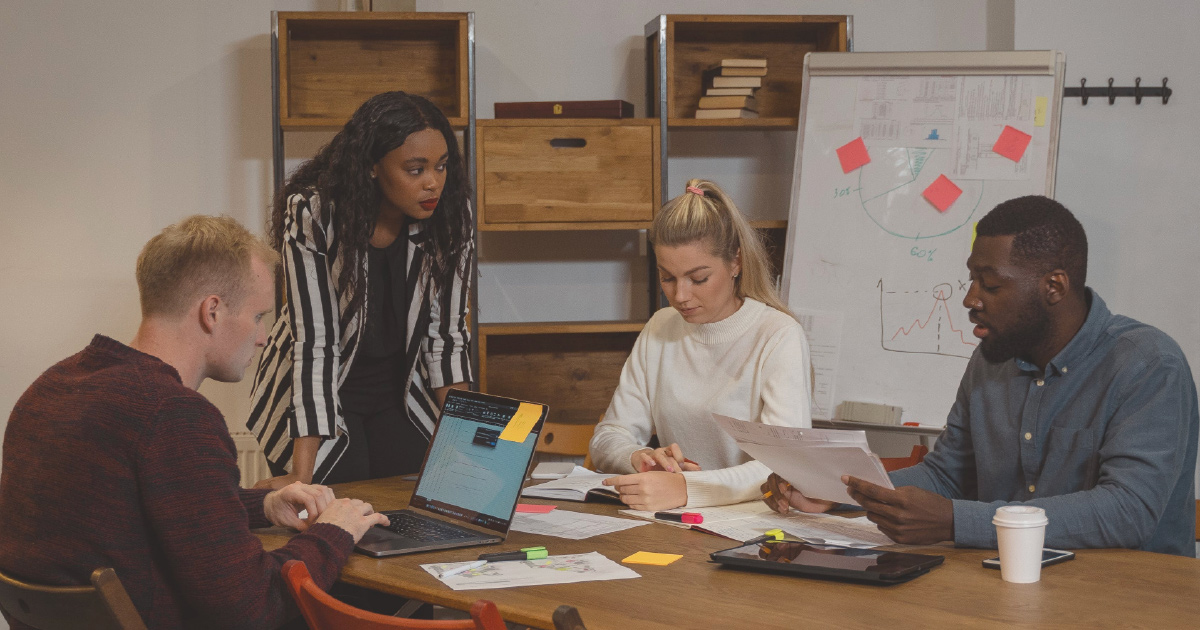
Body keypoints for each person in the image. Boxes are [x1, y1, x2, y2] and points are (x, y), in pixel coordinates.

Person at [0, 216, 389, 629]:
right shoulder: (173, 414)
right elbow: (254, 608)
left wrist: (262, 504)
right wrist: (333, 533)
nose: (262, 338)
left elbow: (159, 507)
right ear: (213, 311)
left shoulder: (52, 386)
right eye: (258, 316)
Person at [763, 195, 1198, 557]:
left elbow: (1129, 511)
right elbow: (949, 475)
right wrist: (841, 492)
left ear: (1054, 287)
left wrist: (956, 521)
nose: (970, 298)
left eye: (990, 285)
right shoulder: (992, 359)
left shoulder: (1148, 365)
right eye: (972, 279)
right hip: (1006, 586)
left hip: (1130, 599)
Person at [249, 91, 475, 489]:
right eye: (415, 169)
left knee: (414, 495)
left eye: (441, 167)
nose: (432, 183)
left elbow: (448, 339)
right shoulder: (314, 214)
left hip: (399, 391)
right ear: (372, 166)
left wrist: (469, 444)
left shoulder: (451, 216)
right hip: (319, 391)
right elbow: (314, 342)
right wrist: (301, 476)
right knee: (329, 504)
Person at [589, 179, 813, 511]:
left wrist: (688, 488)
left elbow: (786, 467)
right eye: (667, 277)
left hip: (756, 527)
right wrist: (641, 457)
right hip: (675, 517)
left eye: (698, 279)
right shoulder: (660, 328)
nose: (680, 296)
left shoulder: (778, 335)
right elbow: (608, 436)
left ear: (735, 261)